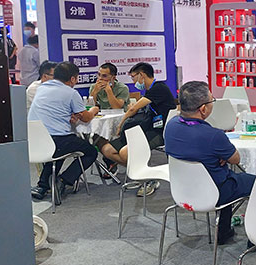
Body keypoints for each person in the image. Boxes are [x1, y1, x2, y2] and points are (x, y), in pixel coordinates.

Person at [165, 81, 256, 242]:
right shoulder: (214, 136)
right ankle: (255, 238)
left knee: (225, 176)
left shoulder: (171, 126)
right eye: (212, 100)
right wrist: (219, 154)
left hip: (182, 189)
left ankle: (224, 231)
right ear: (203, 109)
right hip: (215, 191)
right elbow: (235, 159)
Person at [28, 62, 100, 202]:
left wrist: (70, 114)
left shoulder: (41, 88)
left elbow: (55, 110)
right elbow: (86, 118)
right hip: (56, 141)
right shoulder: (71, 93)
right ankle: (63, 180)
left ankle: (42, 186)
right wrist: (94, 109)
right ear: (72, 79)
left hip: (35, 141)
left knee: (59, 151)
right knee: (91, 152)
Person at [101, 62, 176, 195]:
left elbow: (134, 109)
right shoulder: (148, 91)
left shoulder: (159, 88)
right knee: (107, 150)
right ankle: (143, 174)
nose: (133, 81)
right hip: (145, 129)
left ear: (141, 75)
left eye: (133, 77)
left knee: (125, 152)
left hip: (159, 132)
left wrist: (120, 124)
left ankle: (148, 179)